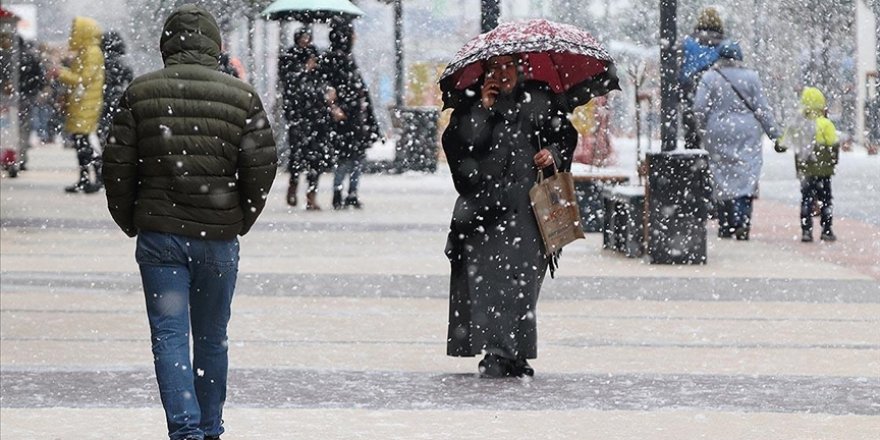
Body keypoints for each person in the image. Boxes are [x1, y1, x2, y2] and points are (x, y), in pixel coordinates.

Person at [102, 5, 277, 439]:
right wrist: (239, 216)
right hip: (217, 238)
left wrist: (132, 218)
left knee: (169, 336)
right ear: (216, 48)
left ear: (166, 46)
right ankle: (211, 426)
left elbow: (116, 166)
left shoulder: (139, 93)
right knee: (212, 338)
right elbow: (262, 165)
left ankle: (185, 431)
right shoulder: (241, 96)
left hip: (160, 237)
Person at [442, 54, 578, 378]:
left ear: (519, 68)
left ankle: (516, 353)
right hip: (486, 212)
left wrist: (554, 154)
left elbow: (566, 136)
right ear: (484, 73)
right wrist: (482, 111)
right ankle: (496, 352)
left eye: (507, 67)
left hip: (531, 209)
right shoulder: (471, 106)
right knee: (491, 283)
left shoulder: (540, 99)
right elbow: (459, 149)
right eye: (494, 68)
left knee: (525, 284)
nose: (502, 74)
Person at [694, 40, 781, 240]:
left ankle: (726, 224)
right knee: (747, 173)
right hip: (747, 131)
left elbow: (699, 107)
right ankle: (743, 220)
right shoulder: (751, 78)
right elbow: (762, 109)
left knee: (721, 175)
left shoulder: (710, 77)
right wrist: (774, 134)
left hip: (718, 130)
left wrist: (704, 128)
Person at [321, 21, 380, 209]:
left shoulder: (341, 57)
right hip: (348, 117)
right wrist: (336, 106)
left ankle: (346, 193)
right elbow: (339, 87)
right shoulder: (339, 58)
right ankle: (345, 193)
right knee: (349, 158)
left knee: (350, 157)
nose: (355, 38)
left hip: (351, 116)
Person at [776, 87, 840, 242]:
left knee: (806, 199)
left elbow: (782, 144)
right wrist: (832, 160)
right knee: (826, 200)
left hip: (805, 170)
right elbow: (833, 144)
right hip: (824, 170)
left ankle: (806, 230)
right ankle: (826, 229)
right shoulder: (826, 124)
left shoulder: (799, 125)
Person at [280, 26, 331, 210]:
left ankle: (311, 194)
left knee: (316, 157)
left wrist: (326, 92)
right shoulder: (289, 57)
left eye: (307, 37)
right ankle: (293, 185)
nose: (305, 41)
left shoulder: (316, 56)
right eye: (302, 37)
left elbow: (323, 82)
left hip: (317, 116)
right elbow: (289, 84)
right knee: (297, 155)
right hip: (298, 116)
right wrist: (304, 69)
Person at [53, 16, 104, 193]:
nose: (72, 35)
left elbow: (84, 79)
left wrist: (61, 73)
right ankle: (86, 178)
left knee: (85, 142)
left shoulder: (92, 52)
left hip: (86, 105)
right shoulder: (85, 51)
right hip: (81, 104)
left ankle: (96, 178)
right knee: (80, 142)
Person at [679, 7, 725, 150]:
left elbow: (680, 68)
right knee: (715, 130)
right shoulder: (725, 44)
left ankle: (692, 160)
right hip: (715, 90)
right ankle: (713, 162)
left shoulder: (687, 42)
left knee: (691, 130)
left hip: (690, 88)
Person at [17, 36, 46, 170]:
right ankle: (21, 157)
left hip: (10, 98)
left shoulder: (9, 57)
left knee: (10, 127)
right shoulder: (31, 58)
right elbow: (40, 78)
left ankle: (10, 155)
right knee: (24, 128)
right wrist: (35, 91)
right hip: (27, 98)